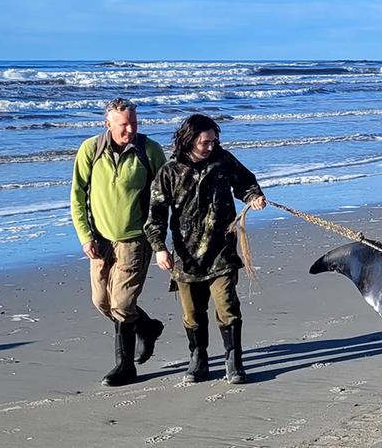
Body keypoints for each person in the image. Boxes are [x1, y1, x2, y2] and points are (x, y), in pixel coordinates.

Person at [144, 113, 266, 384]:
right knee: (192, 313)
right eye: (205, 142)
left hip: (222, 250)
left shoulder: (223, 161)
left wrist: (254, 196)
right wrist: (159, 248)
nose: (211, 146)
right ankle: (198, 357)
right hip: (186, 257)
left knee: (227, 306)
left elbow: (245, 182)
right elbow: (156, 213)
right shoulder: (170, 172)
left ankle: (234, 360)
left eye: (214, 140)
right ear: (189, 140)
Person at [69, 96, 167, 387]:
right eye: (124, 125)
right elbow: (77, 196)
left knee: (122, 304)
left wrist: (159, 239)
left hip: (135, 239)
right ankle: (147, 327)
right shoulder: (90, 149)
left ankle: (124, 366)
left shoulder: (149, 150)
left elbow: (163, 197)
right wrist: (85, 236)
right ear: (108, 123)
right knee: (101, 302)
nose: (130, 130)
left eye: (134, 123)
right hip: (100, 240)